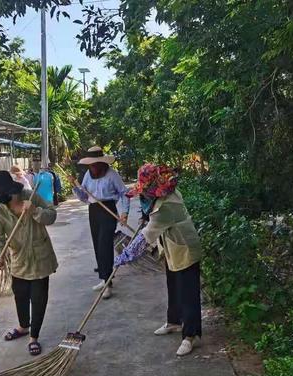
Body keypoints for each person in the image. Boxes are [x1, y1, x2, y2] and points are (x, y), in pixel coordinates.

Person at [114, 163, 202, 356]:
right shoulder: (161, 197)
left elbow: (146, 236)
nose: (143, 194)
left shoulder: (166, 206)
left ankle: (191, 336)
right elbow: (151, 217)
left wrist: (126, 255)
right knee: (174, 286)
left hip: (185, 248)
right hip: (173, 248)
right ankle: (174, 322)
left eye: (145, 190)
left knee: (188, 294)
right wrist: (146, 216)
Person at [0, 170, 58, 356]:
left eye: (3, 194)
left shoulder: (31, 197)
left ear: (11, 190)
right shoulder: (0, 210)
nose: (0, 198)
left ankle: (33, 336)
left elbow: (52, 215)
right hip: (18, 259)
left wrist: (35, 210)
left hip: (40, 257)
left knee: (38, 298)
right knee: (20, 295)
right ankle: (23, 326)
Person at [69, 146, 130, 300]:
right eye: (90, 164)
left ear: (102, 163)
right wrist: (75, 186)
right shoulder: (88, 176)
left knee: (105, 245)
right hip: (94, 211)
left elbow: (124, 193)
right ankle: (104, 279)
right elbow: (84, 197)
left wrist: (124, 213)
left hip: (108, 210)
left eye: (95, 164)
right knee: (97, 244)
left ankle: (108, 283)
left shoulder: (112, 175)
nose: (93, 167)